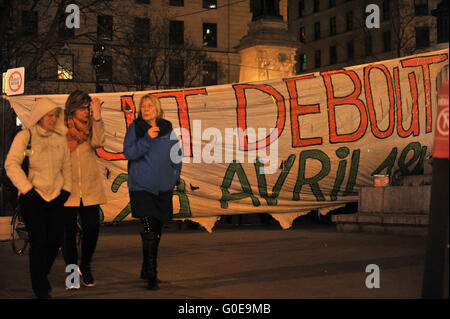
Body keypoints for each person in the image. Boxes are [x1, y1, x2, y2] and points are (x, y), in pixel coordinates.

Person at [5, 98, 72, 299]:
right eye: (49, 115)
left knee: (55, 240)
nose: (53, 119)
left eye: (55, 115)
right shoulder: (25, 137)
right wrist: (27, 189)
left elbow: (66, 165)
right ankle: (40, 286)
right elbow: (11, 164)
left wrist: (66, 189)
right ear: (40, 116)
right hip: (33, 198)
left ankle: (41, 274)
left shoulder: (60, 138)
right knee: (39, 242)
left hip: (56, 197)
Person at [123, 94, 181, 290]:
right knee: (148, 227)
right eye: (143, 106)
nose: (146, 109)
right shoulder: (135, 129)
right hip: (142, 187)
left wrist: (175, 177)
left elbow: (176, 155)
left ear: (157, 108)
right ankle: (152, 274)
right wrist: (147, 139)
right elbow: (128, 153)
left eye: (150, 105)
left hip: (163, 187)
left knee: (156, 230)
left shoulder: (168, 128)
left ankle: (145, 266)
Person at [62, 90, 107, 289]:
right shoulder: (60, 127)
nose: (86, 111)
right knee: (68, 234)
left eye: (88, 107)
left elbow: (98, 142)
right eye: (83, 108)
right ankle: (72, 272)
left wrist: (97, 118)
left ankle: (86, 266)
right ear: (73, 108)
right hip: (66, 189)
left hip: (90, 187)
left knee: (92, 228)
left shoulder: (93, 125)